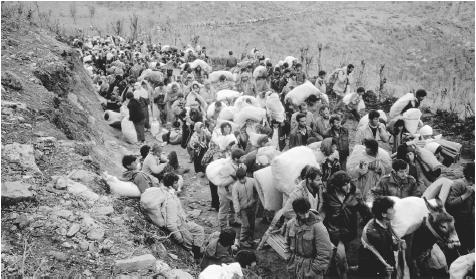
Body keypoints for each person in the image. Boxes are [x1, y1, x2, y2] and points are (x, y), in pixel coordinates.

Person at [322, 171, 372, 279]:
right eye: (344, 184)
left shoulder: (356, 193)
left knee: (341, 256)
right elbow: (322, 212)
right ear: (336, 186)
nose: (348, 186)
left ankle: (335, 272)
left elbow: (365, 211)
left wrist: (371, 222)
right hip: (333, 231)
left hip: (349, 232)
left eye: (348, 182)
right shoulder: (327, 195)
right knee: (341, 258)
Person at [284, 198, 334, 279]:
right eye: (302, 213)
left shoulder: (318, 227)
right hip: (294, 267)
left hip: (311, 269)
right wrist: (288, 258)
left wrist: (314, 271)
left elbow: (324, 253)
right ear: (296, 212)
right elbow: (287, 243)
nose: (306, 215)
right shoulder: (290, 224)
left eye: (307, 212)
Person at [359, 196, 406, 278]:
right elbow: (374, 257)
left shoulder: (385, 223)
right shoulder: (374, 234)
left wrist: (398, 245)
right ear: (384, 214)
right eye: (391, 208)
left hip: (387, 267)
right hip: (376, 272)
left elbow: (389, 246)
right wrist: (383, 269)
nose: (394, 211)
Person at [268, 166, 325, 232]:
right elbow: (286, 212)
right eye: (318, 180)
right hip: (297, 229)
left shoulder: (318, 187)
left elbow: (321, 206)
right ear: (309, 180)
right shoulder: (298, 193)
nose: (321, 182)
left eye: (321, 179)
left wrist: (318, 219)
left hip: (313, 225)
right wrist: (306, 217)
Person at [162, 173, 204, 260]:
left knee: (199, 229)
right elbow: (170, 224)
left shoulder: (172, 195)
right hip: (179, 226)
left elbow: (179, 211)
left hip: (183, 222)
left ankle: (197, 252)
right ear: (170, 186)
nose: (178, 184)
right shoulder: (170, 201)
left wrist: (185, 219)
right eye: (176, 183)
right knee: (190, 245)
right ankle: (196, 258)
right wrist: (179, 237)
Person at [445, 162, 475, 252]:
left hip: (469, 220)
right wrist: (466, 195)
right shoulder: (459, 184)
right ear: (471, 177)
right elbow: (449, 203)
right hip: (459, 221)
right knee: (461, 246)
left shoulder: (473, 184)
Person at [217, 148, 246, 229]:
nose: (244, 158)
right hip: (225, 192)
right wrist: (235, 176)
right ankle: (223, 226)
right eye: (242, 157)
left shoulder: (239, 165)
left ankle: (232, 221)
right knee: (224, 209)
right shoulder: (226, 167)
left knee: (233, 207)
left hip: (233, 191)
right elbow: (222, 182)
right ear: (236, 159)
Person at [232, 167, 258, 248]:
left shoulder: (252, 181)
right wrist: (237, 210)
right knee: (245, 225)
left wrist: (255, 200)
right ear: (237, 178)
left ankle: (250, 239)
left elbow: (258, 188)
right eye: (240, 179)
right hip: (242, 209)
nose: (242, 180)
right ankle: (243, 240)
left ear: (246, 175)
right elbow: (235, 200)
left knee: (252, 224)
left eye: (243, 178)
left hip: (252, 206)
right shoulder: (235, 186)